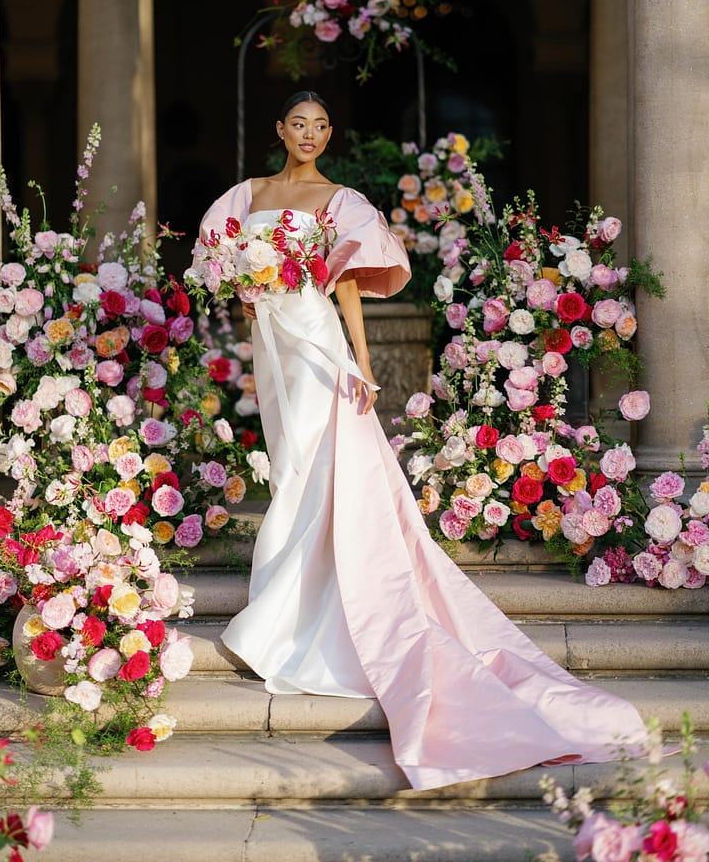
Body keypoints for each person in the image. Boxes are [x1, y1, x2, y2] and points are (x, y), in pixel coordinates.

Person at [193, 90, 648, 792]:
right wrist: (246, 287)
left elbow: (343, 289)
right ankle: (291, 600)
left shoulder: (339, 201)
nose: (309, 134)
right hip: (271, 344)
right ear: (280, 129)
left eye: (320, 125)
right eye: (298, 124)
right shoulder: (244, 196)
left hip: (315, 343)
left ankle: (290, 615)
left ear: (328, 133)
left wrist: (364, 368)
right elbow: (218, 268)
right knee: (289, 463)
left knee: (319, 463)